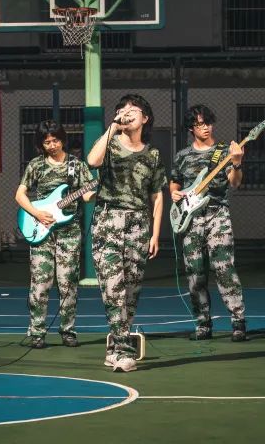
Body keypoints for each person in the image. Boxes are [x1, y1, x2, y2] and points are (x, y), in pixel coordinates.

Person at [86, 94, 167, 372]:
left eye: (134, 109)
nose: (127, 112)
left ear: (145, 118)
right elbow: (92, 161)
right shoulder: (109, 144)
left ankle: (114, 349)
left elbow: (157, 196)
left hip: (139, 224)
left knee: (131, 292)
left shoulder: (153, 154)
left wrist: (155, 234)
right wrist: (112, 127)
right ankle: (122, 350)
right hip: (108, 220)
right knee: (113, 288)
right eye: (122, 109)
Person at [169, 105, 248, 342]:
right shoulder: (182, 156)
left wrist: (236, 162)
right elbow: (175, 182)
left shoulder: (224, 151)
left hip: (217, 215)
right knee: (195, 273)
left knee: (224, 268)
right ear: (191, 128)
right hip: (191, 218)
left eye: (208, 123)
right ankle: (202, 323)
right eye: (200, 124)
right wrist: (174, 193)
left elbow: (235, 183)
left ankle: (238, 322)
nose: (206, 128)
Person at [15, 120, 96, 349]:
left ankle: (68, 331)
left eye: (55, 140)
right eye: (47, 142)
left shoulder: (76, 165)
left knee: (67, 283)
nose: (52, 145)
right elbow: (20, 195)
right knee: (40, 284)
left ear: (63, 139)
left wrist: (99, 190)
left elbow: (86, 196)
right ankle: (36, 333)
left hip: (69, 232)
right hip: (41, 231)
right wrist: (37, 214)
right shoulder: (36, 165)